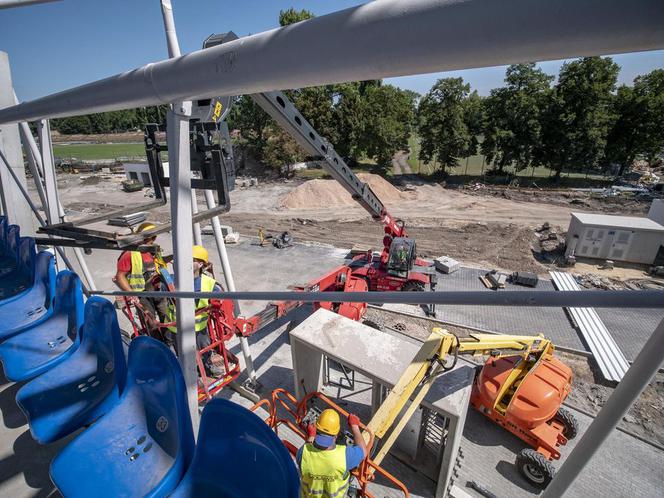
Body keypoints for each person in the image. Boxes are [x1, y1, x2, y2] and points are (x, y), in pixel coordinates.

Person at [164, 245, 224, 377]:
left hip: (199, 329)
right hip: (177, 328)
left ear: (201, 263)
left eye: (191, 259)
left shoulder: (209, 284)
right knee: (183, 354)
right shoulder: (171, 281)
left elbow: (220, 299)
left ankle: (208, 368)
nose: (185, 262)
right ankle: (189, 375)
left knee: (204, 350)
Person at [297, 409, 368, 498]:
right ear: (336, 435)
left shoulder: (302, 453)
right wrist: (355, 426)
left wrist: (311, 436)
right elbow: (363, 451)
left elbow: (309, 448)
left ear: (316, 428)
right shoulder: (345, 456)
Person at [114, 222, 169, 337]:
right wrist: (131, 294)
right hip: (142, 294)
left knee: (168, 319)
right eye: (151, 236)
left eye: (154, 236)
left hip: (158, 291)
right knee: (151, 323)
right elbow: (119, 276)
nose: (154, 239)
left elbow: (159, 263)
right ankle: (158, 346)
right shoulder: (130, 253)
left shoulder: (153, 249)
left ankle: (170, 343)